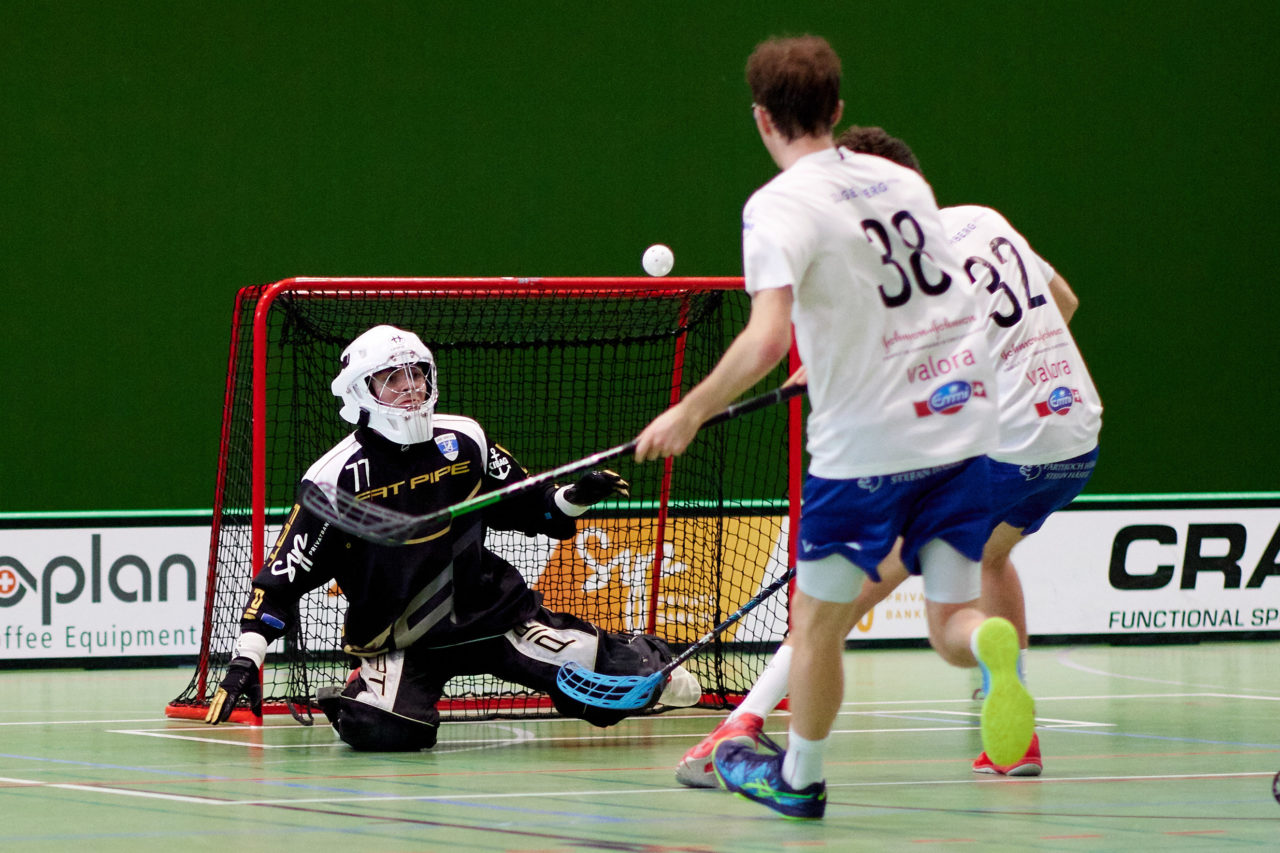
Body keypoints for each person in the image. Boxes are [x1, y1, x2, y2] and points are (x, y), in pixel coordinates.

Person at [634, 36, 1033, 819]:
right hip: (963, 424)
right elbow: (918, 298)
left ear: (761, 119)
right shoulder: (899, 179)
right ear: (838, 109)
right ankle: (990, 645)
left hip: (866, 447)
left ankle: (803, 775)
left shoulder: (775, 207)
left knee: (818, 624)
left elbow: (766, 338)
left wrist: (691, 409)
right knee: (951, 615)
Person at [673, 126, 1102, 788]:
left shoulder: (891, 262)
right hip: (1075, 432)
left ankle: (746, 722)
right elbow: (1065, 302)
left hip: (995, 444)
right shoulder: (985, 219)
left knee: (839, 603)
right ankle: (1014, 740)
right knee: (991, 555)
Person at [204, 324, 701, 749]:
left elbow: (534, 508)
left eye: (417, 373)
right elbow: (283, 580)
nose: (411, 387)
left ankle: (639, 657)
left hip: (494, 618)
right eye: (392, 378)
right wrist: (247, 658)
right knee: (385, 731)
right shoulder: (332, 481)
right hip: (401, 641)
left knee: (604, 696)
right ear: (358, 392)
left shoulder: (465, 440)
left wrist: (578, 495)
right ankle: (364, 689)